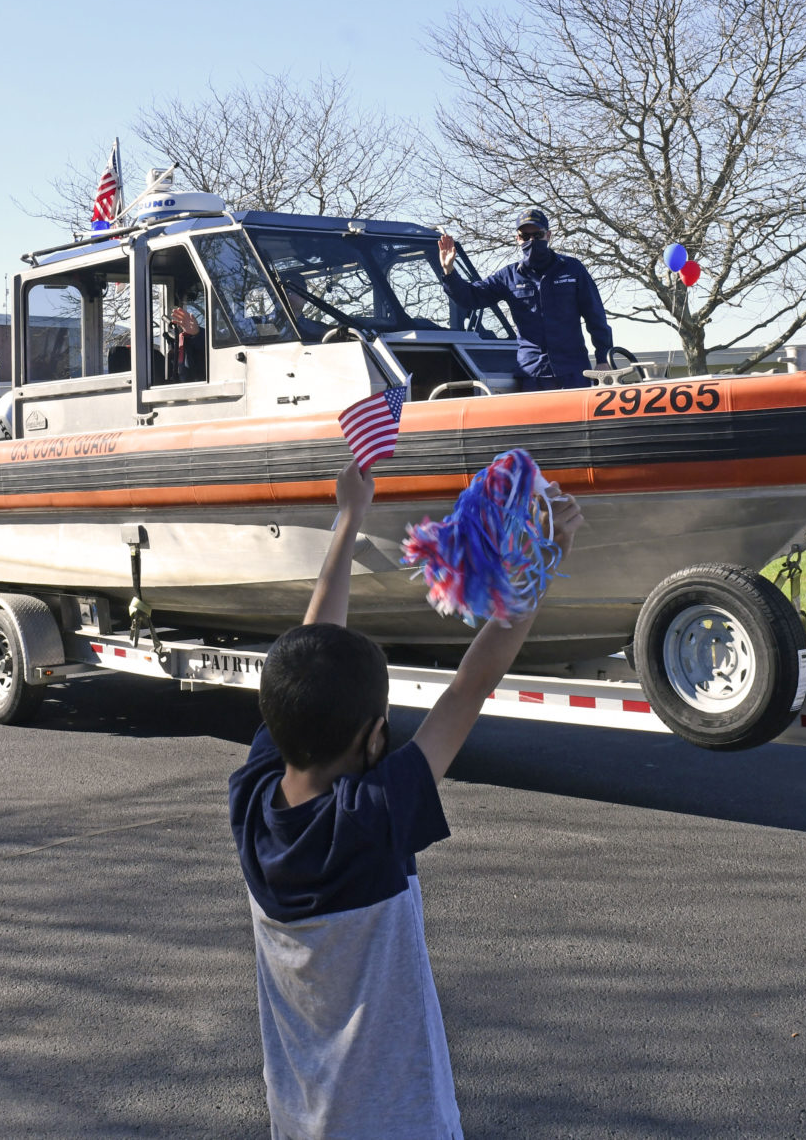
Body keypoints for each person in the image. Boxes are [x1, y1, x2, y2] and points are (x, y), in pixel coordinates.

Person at [229, 460, 579, 1139]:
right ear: (374, 739)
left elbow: (316, 650)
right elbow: (470, 687)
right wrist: (544, 558)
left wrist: (349, 515)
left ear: (277, 717)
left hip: (299, 1122)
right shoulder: (368, 822)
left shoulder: (253, 801)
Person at [434, 207, 613, 390]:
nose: (532, 240)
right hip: (533, 374)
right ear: (518, 239)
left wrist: (603, 359)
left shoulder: (572, 269)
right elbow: (471, 298)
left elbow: (595, 316)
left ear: (548, 235)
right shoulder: (508, 276)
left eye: (538, 235)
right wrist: (449, 271)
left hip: (573, 371)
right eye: (526, 236)